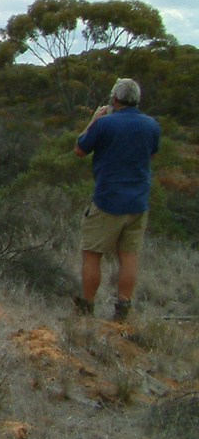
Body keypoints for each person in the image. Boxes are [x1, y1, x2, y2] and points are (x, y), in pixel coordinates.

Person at [72, 77, 160, 321]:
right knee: (129, 256)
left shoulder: (105, 124)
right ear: (136, 100)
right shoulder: (151, 125)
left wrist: (93, 121)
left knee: (92, 254)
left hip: (107, 200)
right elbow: (151, 153)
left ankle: (86, 307)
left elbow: (80, 149)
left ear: (114, 99)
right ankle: (123, 308)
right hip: (138, 202)